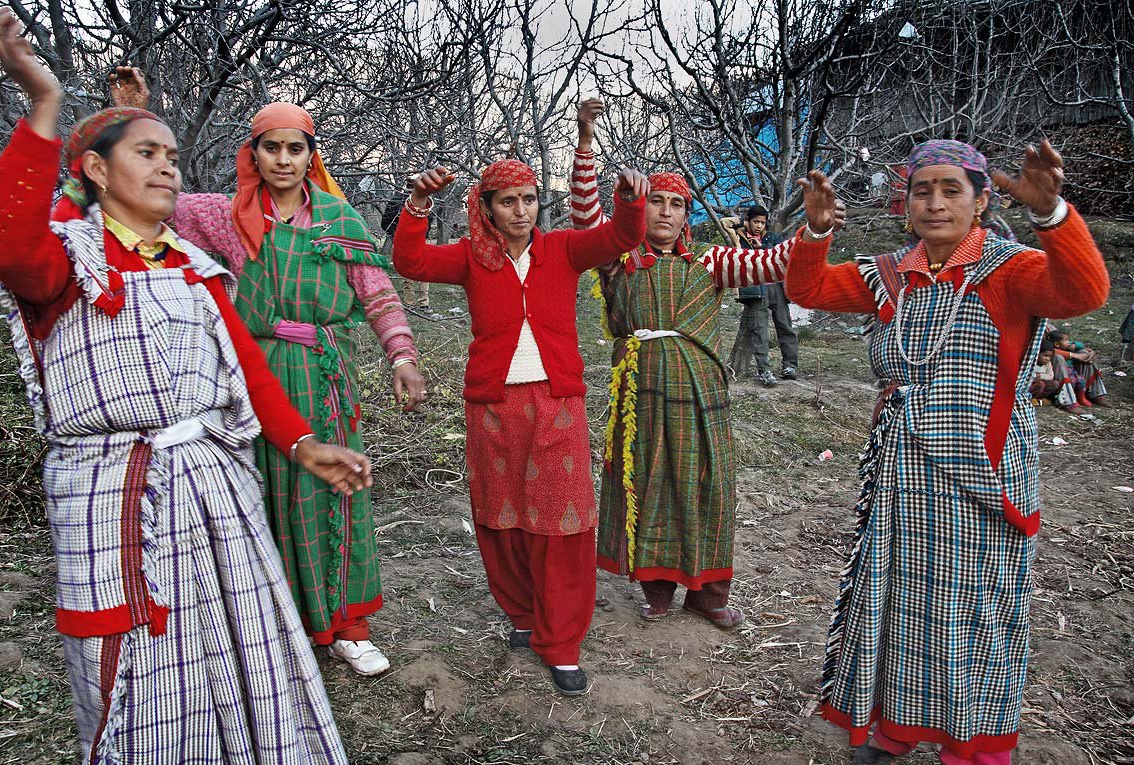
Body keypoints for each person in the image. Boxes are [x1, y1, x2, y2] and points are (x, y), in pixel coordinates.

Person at [0, 11, 367, 765]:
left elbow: (248, 371)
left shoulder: (196, 268)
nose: (168, 169)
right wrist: (43, 105)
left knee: (245, 649)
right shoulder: (66, 262)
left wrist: (301, 444)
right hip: (111, 499)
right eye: (147, 154)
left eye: (174, 157)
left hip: (214, 492)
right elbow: (4, 243)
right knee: (135, 671)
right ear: (93, 169)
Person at [787, 139, 1109, 765]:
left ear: (981, 199)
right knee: (898, 603)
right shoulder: (888, 274)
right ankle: (898, 727)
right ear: (905, 205)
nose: (935, 202)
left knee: (977, 616)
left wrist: (1054, 216)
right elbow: (807, 288)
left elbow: (1085, 290)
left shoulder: (1011, 269)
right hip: (903, 473)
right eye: (921, 190)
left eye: (951, 190)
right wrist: (816, 230)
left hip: (981, 481)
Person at [109, 68, 426, 676]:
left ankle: (347, 627)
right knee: (260, 499)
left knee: (334, 489)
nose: (284, 158)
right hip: (245, 380)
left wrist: (403, 354)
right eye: (271, 146)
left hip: (323, 377)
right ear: (253, 153)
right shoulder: (218, 215)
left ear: (312, 155)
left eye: (295, 147)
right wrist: (130, 120)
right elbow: (133, 194)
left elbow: (376, 290)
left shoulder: (338, 218)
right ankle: (276, 633)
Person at [569, 99, 835, 628]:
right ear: (638, 211)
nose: (665, 211)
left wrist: (815, 230)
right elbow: (585, 214)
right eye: (656, 202)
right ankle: (658, 588)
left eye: (676, 204)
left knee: (705, 481)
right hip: (639, 391)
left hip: (699, 394)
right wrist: (585, 140)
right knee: (647, 479)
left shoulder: (710, 261)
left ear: (687, 216)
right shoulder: (617, 260)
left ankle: (709, 595)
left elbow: (776, 262)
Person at [392, 158, 649, 695]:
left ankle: (561, 642)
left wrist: (628, 198)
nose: (521, 210)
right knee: (502, 512)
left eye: (529, 199)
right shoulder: (470, 257)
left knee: (562, 517)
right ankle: (524, 615)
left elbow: (622, 235)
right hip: (493, 405)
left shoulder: (562, 250)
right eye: (508, 201)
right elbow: (410, 261)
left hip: (557, 402)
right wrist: (417, 204)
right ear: (486, 208)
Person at [729, 205, 800, 385]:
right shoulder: (740, 239)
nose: (759, 226)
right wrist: (741, 223)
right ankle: (764, 370)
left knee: (784, 325)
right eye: (755, 222)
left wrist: (763, 247)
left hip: (776, 286)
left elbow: (782, 255)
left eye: (762, 222)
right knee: (759, 331)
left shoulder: (772, 238)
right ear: (748, 221)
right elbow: (724, 224)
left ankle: (790, 365)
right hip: (754, 288)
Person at [1050, 329, 1112, 407]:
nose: (1068, 342)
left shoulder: (1064, 343)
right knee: (1059, 358)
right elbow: (1049, 349)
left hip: (1072, 371)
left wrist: (1074, 344)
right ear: (1056, 344)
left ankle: (1093, 394)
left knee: (1084, 354)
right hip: (1059, 373)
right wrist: (1074, 355)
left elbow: (1081, 346)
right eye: (1066, 340)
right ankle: (1068, 400)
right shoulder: (1049, 341)